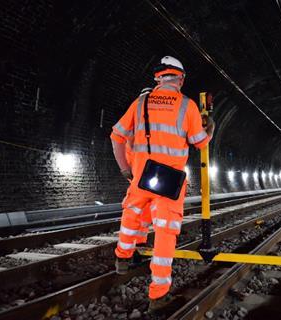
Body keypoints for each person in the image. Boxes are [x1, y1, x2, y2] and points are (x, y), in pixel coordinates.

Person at [110, 56, 215, 311]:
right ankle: (157, 294)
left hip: (142, 174)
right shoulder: (187, 105)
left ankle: (122, 259)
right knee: (165, 232)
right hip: (169, 181)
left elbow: (116, 136)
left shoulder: (140, 102)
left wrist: (125, 168)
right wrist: (211, 128)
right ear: (180, 78)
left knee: (132, 214)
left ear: (158, 78)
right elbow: (199, 142)